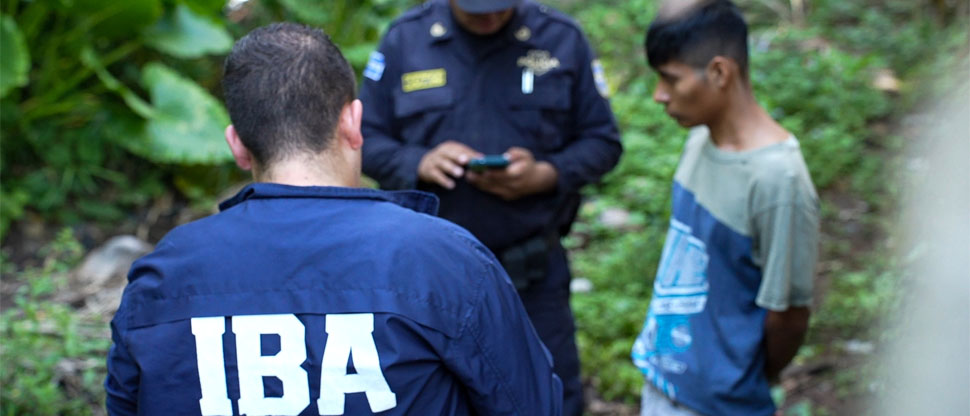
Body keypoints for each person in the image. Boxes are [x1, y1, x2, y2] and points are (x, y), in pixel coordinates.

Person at [104, 22, 562, 416]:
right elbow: (532, 403)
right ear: (352, 123)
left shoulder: (162, 275)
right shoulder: (444, 259)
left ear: (237, 145)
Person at [359, 1, 622, 414]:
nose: (490, 18)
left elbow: (603, 141)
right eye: (476, 8)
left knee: (550, 398)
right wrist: (417, 162)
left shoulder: (560, 39)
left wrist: (547, 174)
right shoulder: (405, 40)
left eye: (501, 7)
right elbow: (363, 139)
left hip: (532, 275)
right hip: (428, 280)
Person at [630, 1, 819, 415]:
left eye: (670, 79)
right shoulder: (700, 139)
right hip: (664, 379)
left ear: (719, 72)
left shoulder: (777, 179)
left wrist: (736, 378)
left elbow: (788, 314)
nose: (659, 96)